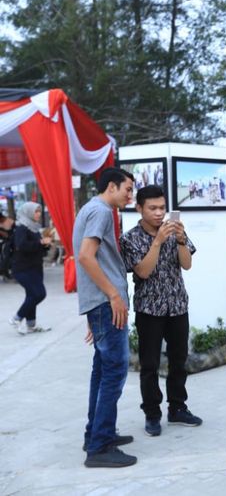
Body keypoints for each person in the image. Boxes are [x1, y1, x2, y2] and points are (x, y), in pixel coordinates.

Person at [120, 185, 202, 437]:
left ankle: (177, 408)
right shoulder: (130, 238)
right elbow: (142, 272)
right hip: (149, 310)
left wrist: (179, 240)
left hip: (177, 306)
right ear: (139, 209)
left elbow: (187, 265)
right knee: (150, 365)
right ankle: (152, 414)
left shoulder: (174, 230)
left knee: (179, 361)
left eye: (162, 208)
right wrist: (157, 242)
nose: (158, 213)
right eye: (152, 208)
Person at [73, 167, 137, 468]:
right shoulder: (100, 211)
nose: (130, 195)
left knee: (102, 371)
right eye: (127, 189)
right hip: (106, 303)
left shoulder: (90, 208)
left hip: (98, 303)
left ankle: (98, 434)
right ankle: (99, 447)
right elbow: (86, 256)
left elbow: (87, 257)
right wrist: (112, 295)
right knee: (114, 372)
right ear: (111, 186)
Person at [7, 202, 52, 335]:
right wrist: (40, 242)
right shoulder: (22, 227)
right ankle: (17, 318)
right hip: (23, 268)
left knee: (31, 294)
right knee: (39, 293)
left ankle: (31, 324)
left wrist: (45, 245)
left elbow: (37, 247)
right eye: (36, 211)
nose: (38, 214)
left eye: (39, 211)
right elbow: (21, 245)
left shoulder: (34, 228)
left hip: (35, 267)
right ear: (28, 212)